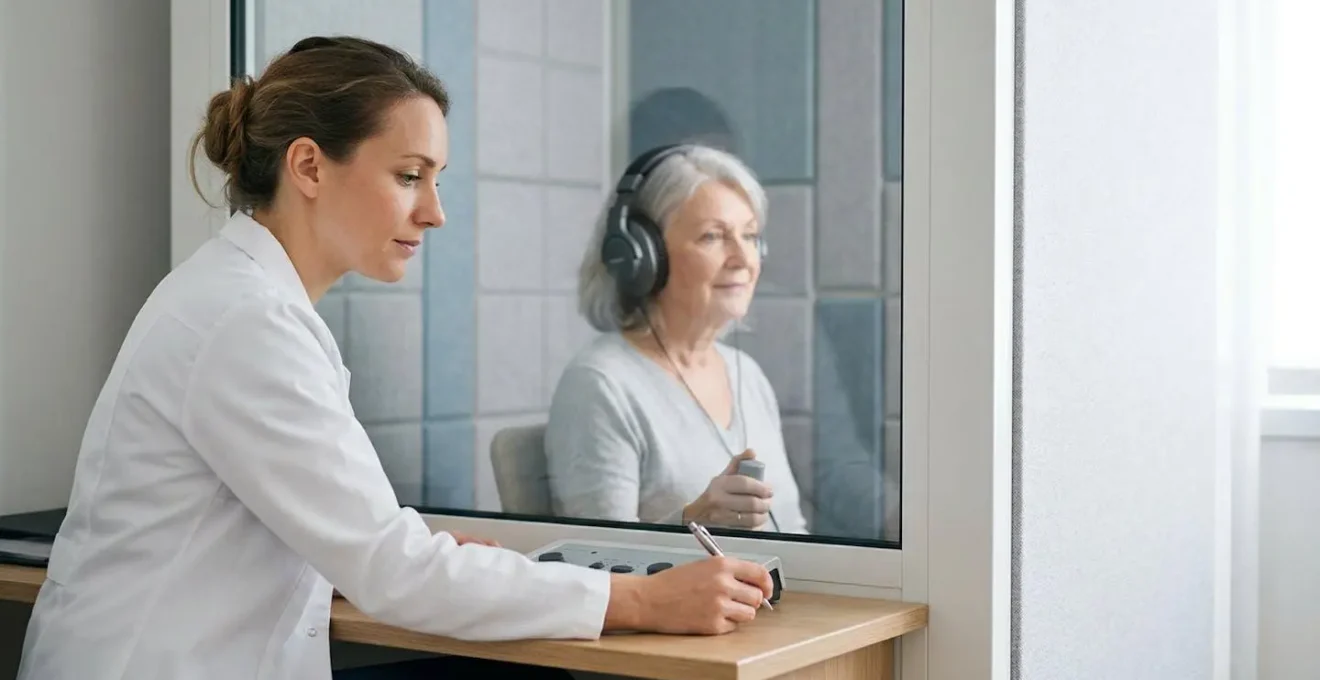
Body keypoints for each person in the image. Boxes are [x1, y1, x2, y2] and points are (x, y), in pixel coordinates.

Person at [16, 36, 774, 680]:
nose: (434, 212)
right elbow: (390, 569)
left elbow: (331, 530)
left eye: (436, 181)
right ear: (308, 168)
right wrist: (640, 600)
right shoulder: (244, 322)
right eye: (409, 176)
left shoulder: (249, 304)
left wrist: (398, 548)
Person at [544, 144, 809, 534]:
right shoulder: (600, 385)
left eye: (750, 236)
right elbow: (601, 564)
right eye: (713, 236)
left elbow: (794, 530)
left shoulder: (747, 375)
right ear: (641, 256)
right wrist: (695, 522)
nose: (743, 258)